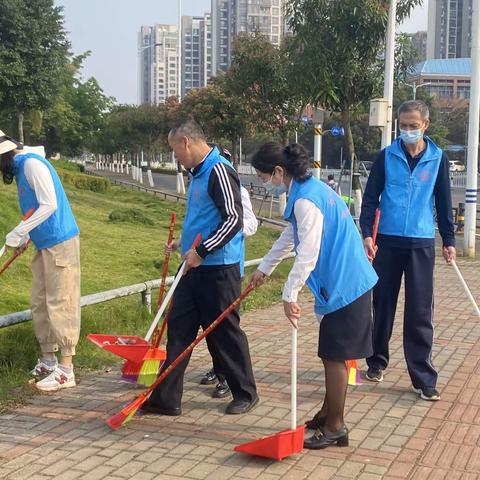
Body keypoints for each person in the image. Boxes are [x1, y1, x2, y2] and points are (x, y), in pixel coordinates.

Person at [250, 142, 377, 450]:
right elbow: (291, 235)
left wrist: (289, 293)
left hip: (346, 285)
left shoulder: (306, 200)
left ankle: (336, 426)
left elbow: (308, 252)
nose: (264, 182)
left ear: (279, 171)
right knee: (334, 354)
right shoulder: (308, 190)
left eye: (263, 176)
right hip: (346, 282)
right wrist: (265, 267)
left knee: (333, 356)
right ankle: (327, 412)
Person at [141, 119, 258, 416]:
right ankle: (166, 399)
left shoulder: (219, 170)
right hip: (192, 268)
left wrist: (203, 251)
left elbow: (234, 219)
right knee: (179, 331)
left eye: (174, 149)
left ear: (187, 143)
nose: (174, 156)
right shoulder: (198, 174)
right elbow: (204, 218)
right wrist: (185, 245)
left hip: (218, 269)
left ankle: (245, 392)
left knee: (224, 333)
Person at [360, 100, 456, 401]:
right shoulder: (386, 156)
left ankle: (423, 377)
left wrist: (449, 240)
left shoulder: (437, 158)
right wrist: (366, 234)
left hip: (421, 242)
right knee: (382, 304)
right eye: (403, 126)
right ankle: (376, 362)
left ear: (425, 125)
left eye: (413, 126)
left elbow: (443, 201)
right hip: (388, 241)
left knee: (419, 311)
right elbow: (371, 197)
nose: (408, 131)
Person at [0, 131, 80, 392]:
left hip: (60, 241)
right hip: (42, 242)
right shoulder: (21, 170)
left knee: (61, 300)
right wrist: (25, 236)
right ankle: (48, 360)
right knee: (40, 300)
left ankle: (66, 369)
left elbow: (49, 205)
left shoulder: (32, 165)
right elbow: (34, 211)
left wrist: (19, 231)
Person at [200, 147, 258, 399]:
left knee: (225, 327)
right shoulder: (203, 181)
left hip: (229, 263)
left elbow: (249, 223)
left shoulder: (239, 190)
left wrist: (228, 232)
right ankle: (218, 369)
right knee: (210, 327)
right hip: (206, 264)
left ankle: (228, 377)